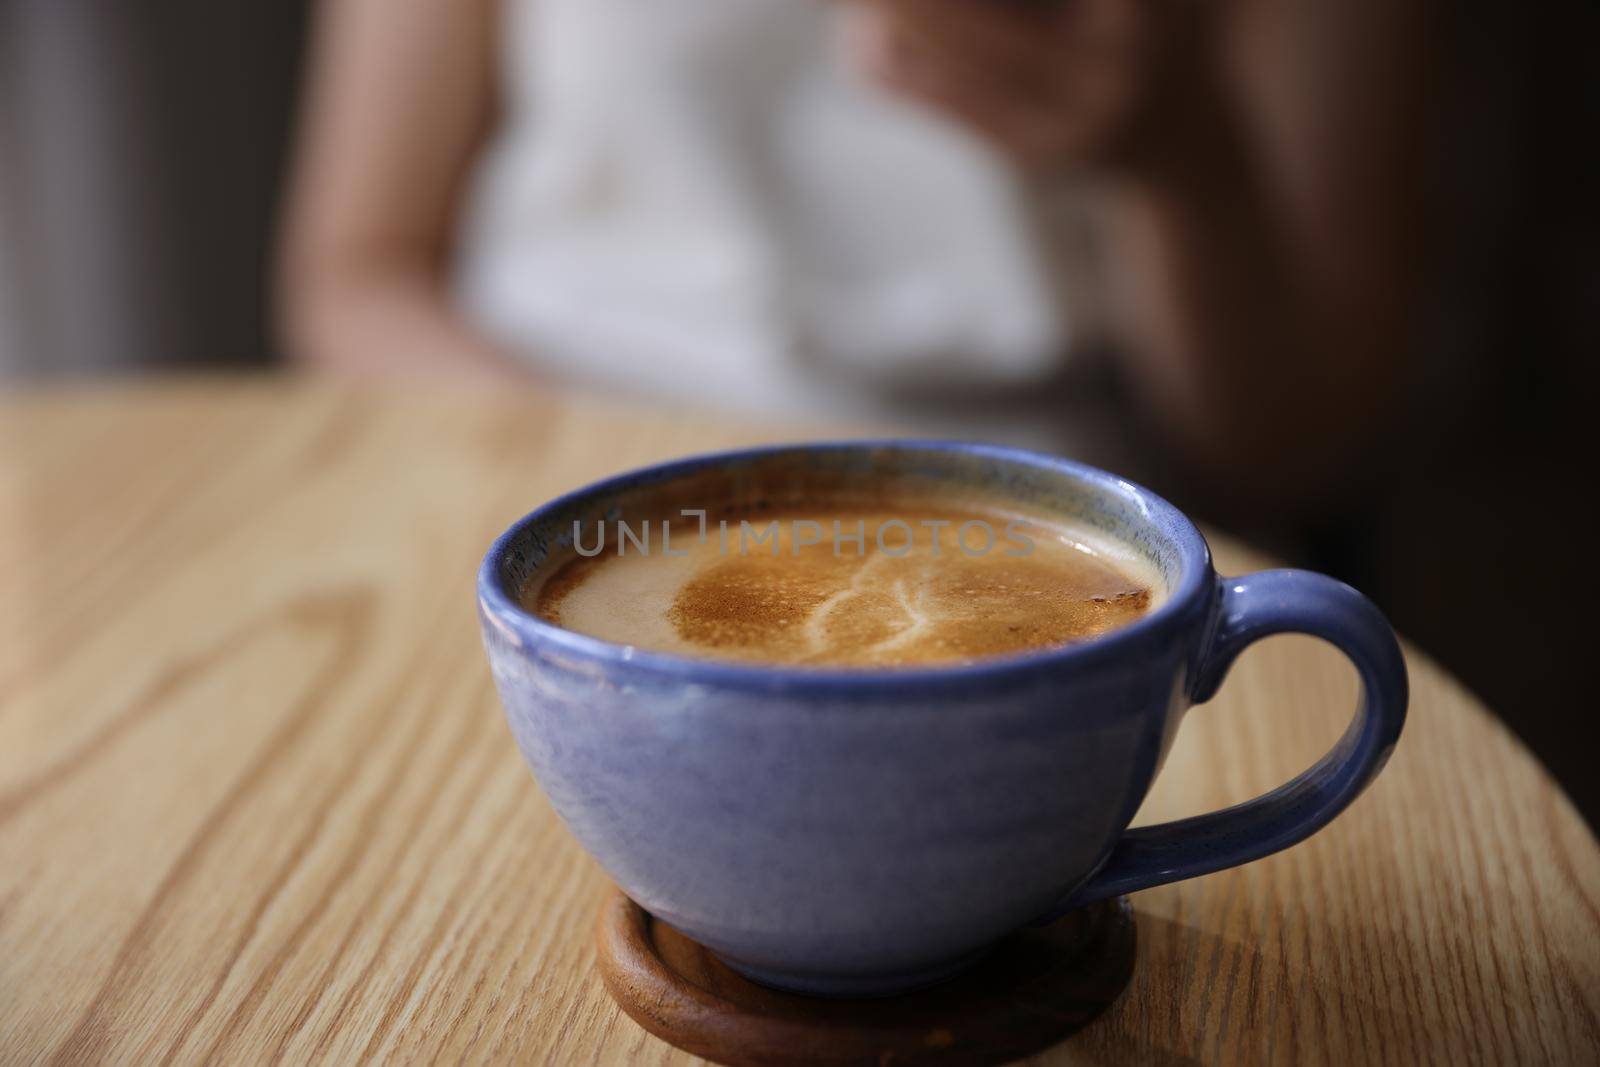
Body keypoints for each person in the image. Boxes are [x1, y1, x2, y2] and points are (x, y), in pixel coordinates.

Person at [282, 0, 1596, 815]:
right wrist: (642, 508)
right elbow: (359, 270)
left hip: (1049, 547)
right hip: (544, 499)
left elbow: (1299, 435)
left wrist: (1176, 147)